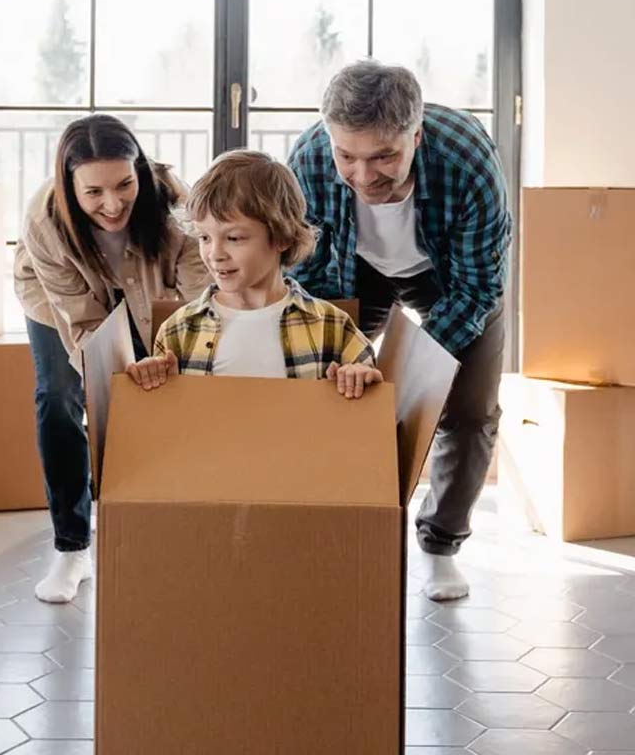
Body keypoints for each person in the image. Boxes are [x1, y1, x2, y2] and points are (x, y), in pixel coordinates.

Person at [288, 60, 511, 602]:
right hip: (353, 268)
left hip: (450, 275)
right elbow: (307, 274)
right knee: (327, 388)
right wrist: (343, 354)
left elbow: (478, 289)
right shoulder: (310, 156)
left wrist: (409, 373)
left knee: (468, 408)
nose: (364, 177)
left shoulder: (467, 159)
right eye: (348, 157)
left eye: (384, 156)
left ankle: (440, 545)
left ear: (417, 134)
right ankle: (338, 529)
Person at [14, 114, 210, 603]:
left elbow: (196, 303)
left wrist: (163, 361)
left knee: (165, 391)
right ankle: (72, 546)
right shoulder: (44, 220)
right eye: (94, 192)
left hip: (154, 295)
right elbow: (83, 323)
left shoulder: (179, 208)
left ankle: (165, 522)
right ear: (69, 185)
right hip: (60, 301)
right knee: (59, 396)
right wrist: (116, 375)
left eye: (125, 184)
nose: (113, 203)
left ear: (140, 170)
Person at [127, 150, 382, 397]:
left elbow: (369, 391)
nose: (215, 253)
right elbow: (166, 423)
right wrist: (152, 380)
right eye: (204, 237)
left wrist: (360, 376)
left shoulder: (332, 326)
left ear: (281, 237)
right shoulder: (178, 330)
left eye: (234, 238)